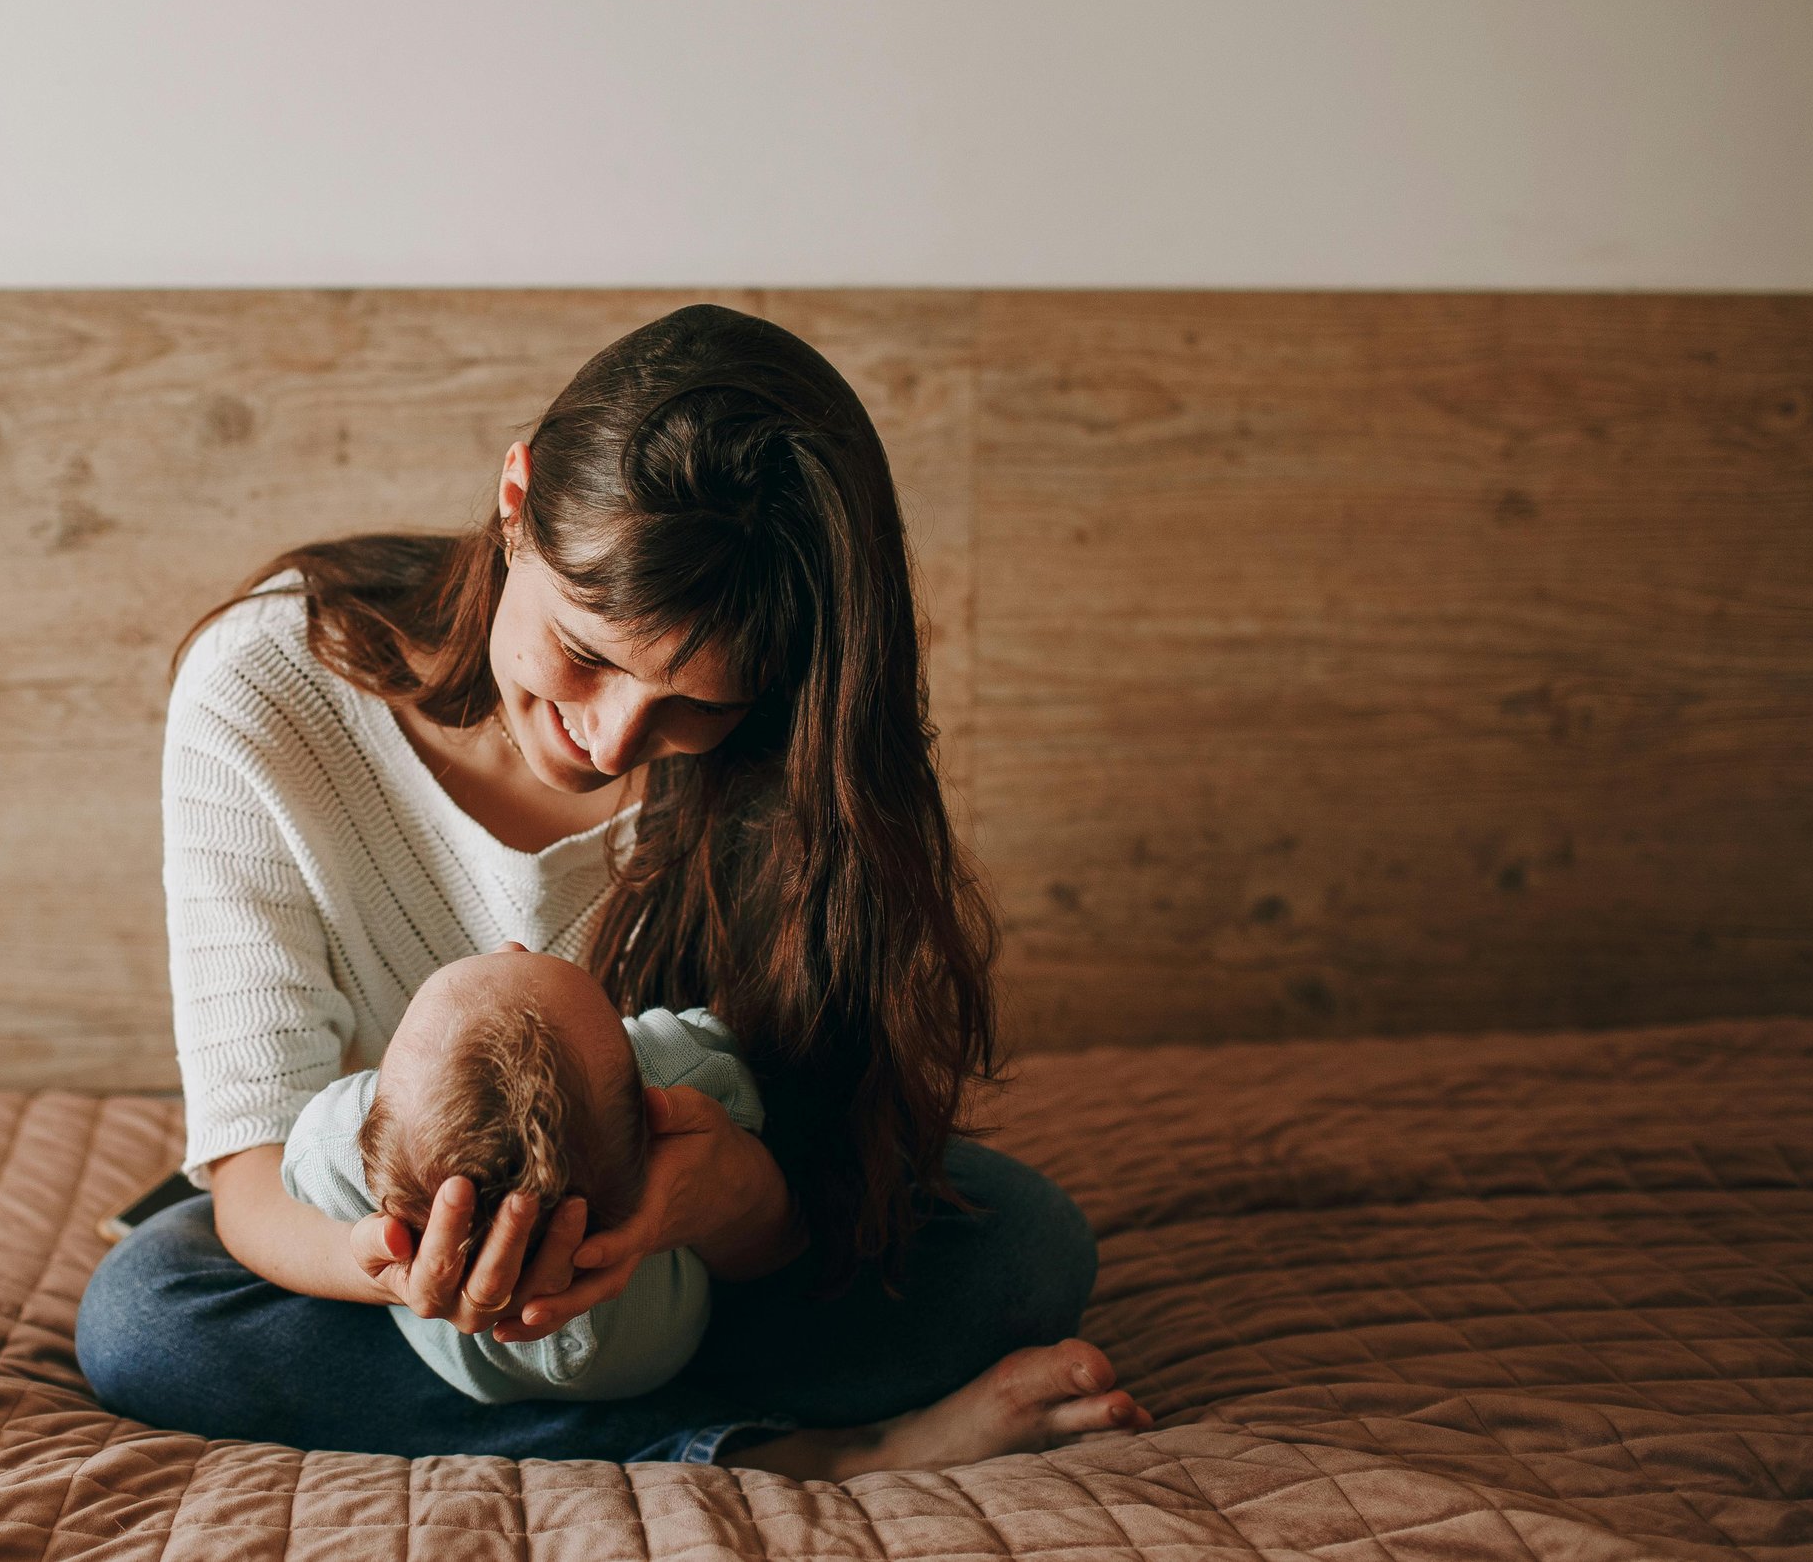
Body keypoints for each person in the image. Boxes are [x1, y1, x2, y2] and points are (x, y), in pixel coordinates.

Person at [75, 302, 1155, 1471]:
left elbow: (815, 1188)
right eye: (586, 654)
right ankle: (791, 1450)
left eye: (695, 703)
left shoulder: (799, 759)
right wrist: (397, 1263)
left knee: (1025, 1250)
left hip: (683, 1270)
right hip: (372, 1250)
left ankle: (631, 1420)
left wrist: (722, 1199)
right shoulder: (271, 691)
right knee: (148, 1315)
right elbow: (253, 1172)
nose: (612, 737)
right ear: (515, 498)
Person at [278, 943, 765, 1403]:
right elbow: (739, 1089)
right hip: (664, 1350)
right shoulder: (667, 1068)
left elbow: (296, 1172)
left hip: (459, 1370)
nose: (510, 947)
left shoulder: (339, 1139)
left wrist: (370, 1111)